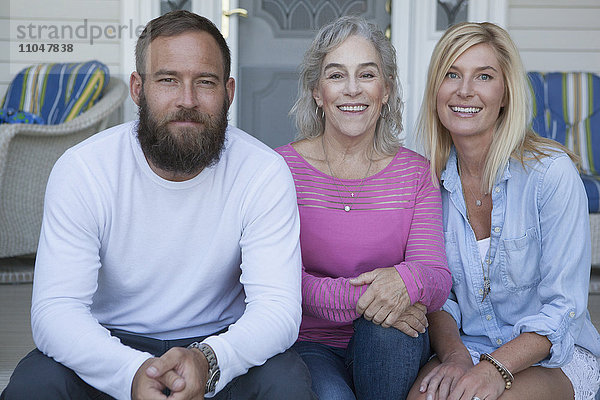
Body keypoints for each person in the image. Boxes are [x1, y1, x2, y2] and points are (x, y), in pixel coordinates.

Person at [1, 10, 316, 400]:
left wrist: (209, 360)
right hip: (108, 343)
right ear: (138, 88)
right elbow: (56, 311)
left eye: (205, 82)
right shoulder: (84, 169)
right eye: (168, 80)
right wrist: (132, 372)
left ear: (229, 92)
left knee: (285, 383)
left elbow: (278, 311)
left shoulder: (263, 172)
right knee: (34, 387)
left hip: (220, 344)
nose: (187, 101)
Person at [407, 22, 600, 400]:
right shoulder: (427, 182)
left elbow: (564, 308)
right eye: (451, 74)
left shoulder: (551, 175)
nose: (465, 90)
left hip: (555, 355)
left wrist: (495, 368)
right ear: (436, 91)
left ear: (506, 93)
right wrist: (456, 356)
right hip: (469, 348)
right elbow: (438, 296)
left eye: (483, 76)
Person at [275, 15, 452, 399]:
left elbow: (435, 275)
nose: (352, 89)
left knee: (385, 334)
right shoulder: (280, 170)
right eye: (337, 76)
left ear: (386, 90)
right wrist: (371, 297)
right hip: (309, 341)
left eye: (367, 75)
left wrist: (408, 282)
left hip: (392, 339)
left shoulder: (415, 173)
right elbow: (280, 279)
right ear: (317, 92)